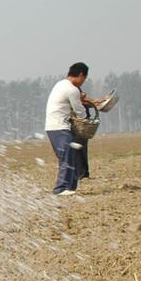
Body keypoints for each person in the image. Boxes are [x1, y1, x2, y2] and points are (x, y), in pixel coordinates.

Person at [44, 62, 105, 195]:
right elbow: (80, 112)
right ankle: (60, 188)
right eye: (84, 79)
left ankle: (70, 187)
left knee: (70, 154)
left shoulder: (60, 84)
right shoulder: (72, 89)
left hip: (53, 126)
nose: (83, 82)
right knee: (66, 155)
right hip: (59, 127)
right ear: (81, 75)